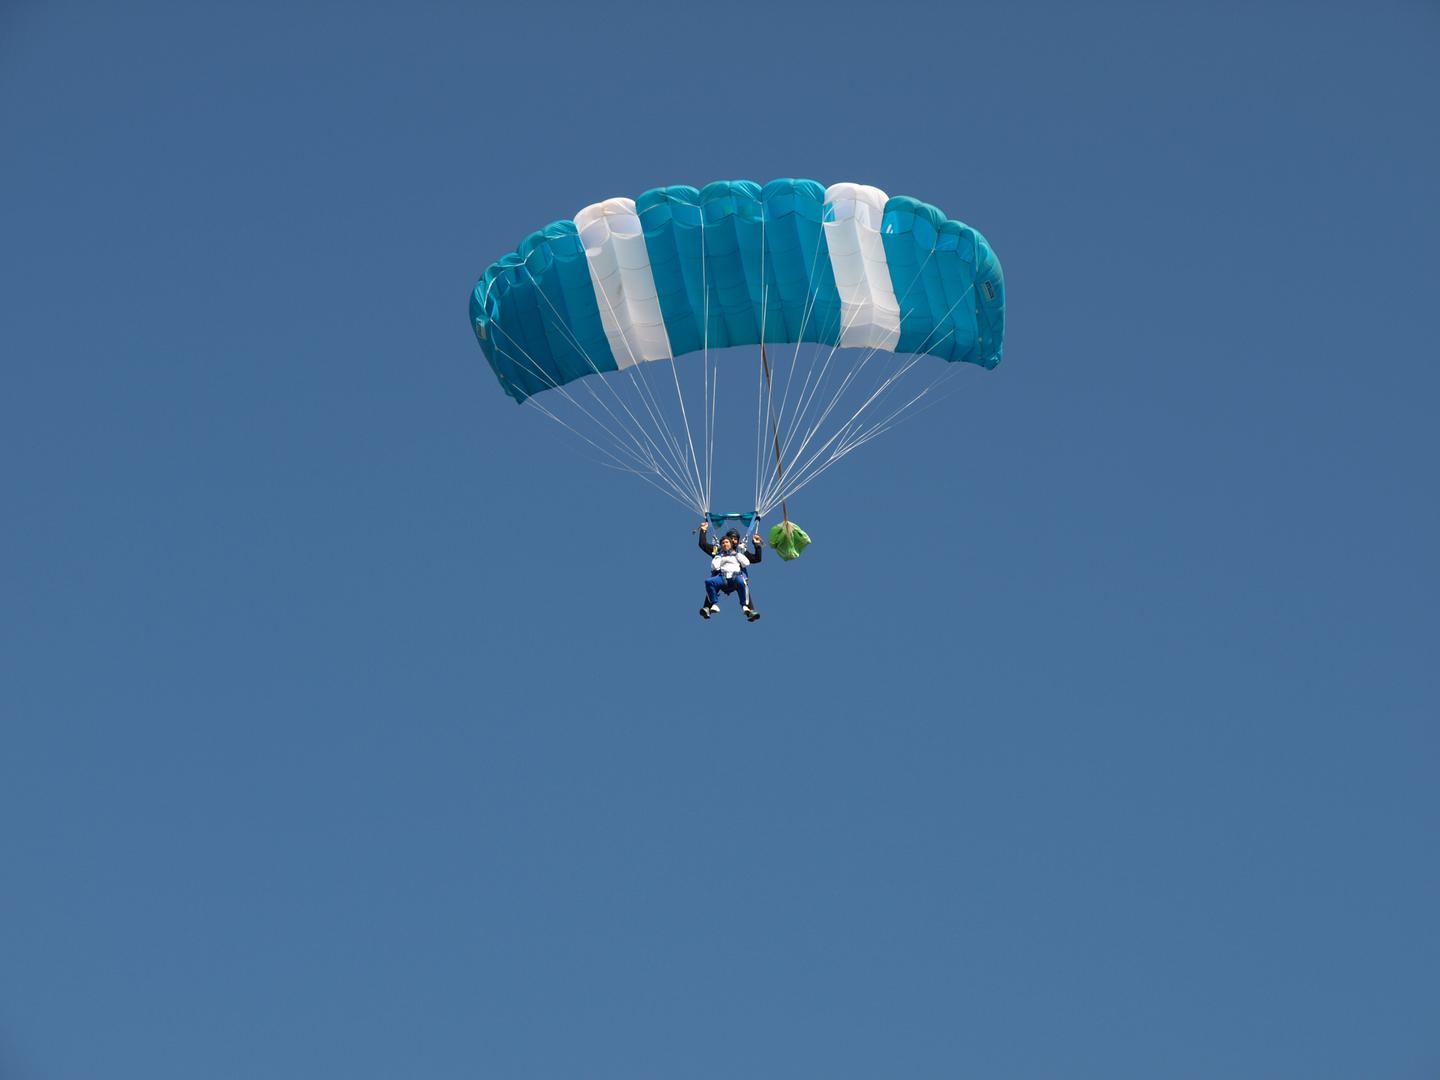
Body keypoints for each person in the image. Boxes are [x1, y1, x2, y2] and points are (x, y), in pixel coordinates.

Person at [697, 522, 762, 621]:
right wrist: (703, 530)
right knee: (712, 583)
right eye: (731, 538)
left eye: (736, 539)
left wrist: (757, 545)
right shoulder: (718, 550)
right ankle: (707, 608)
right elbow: (703, 544)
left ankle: (750, 611)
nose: (733, 541)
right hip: (721, 577)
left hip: (736, 578)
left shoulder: (741, 552)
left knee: (743, 584)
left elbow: (757, 559)